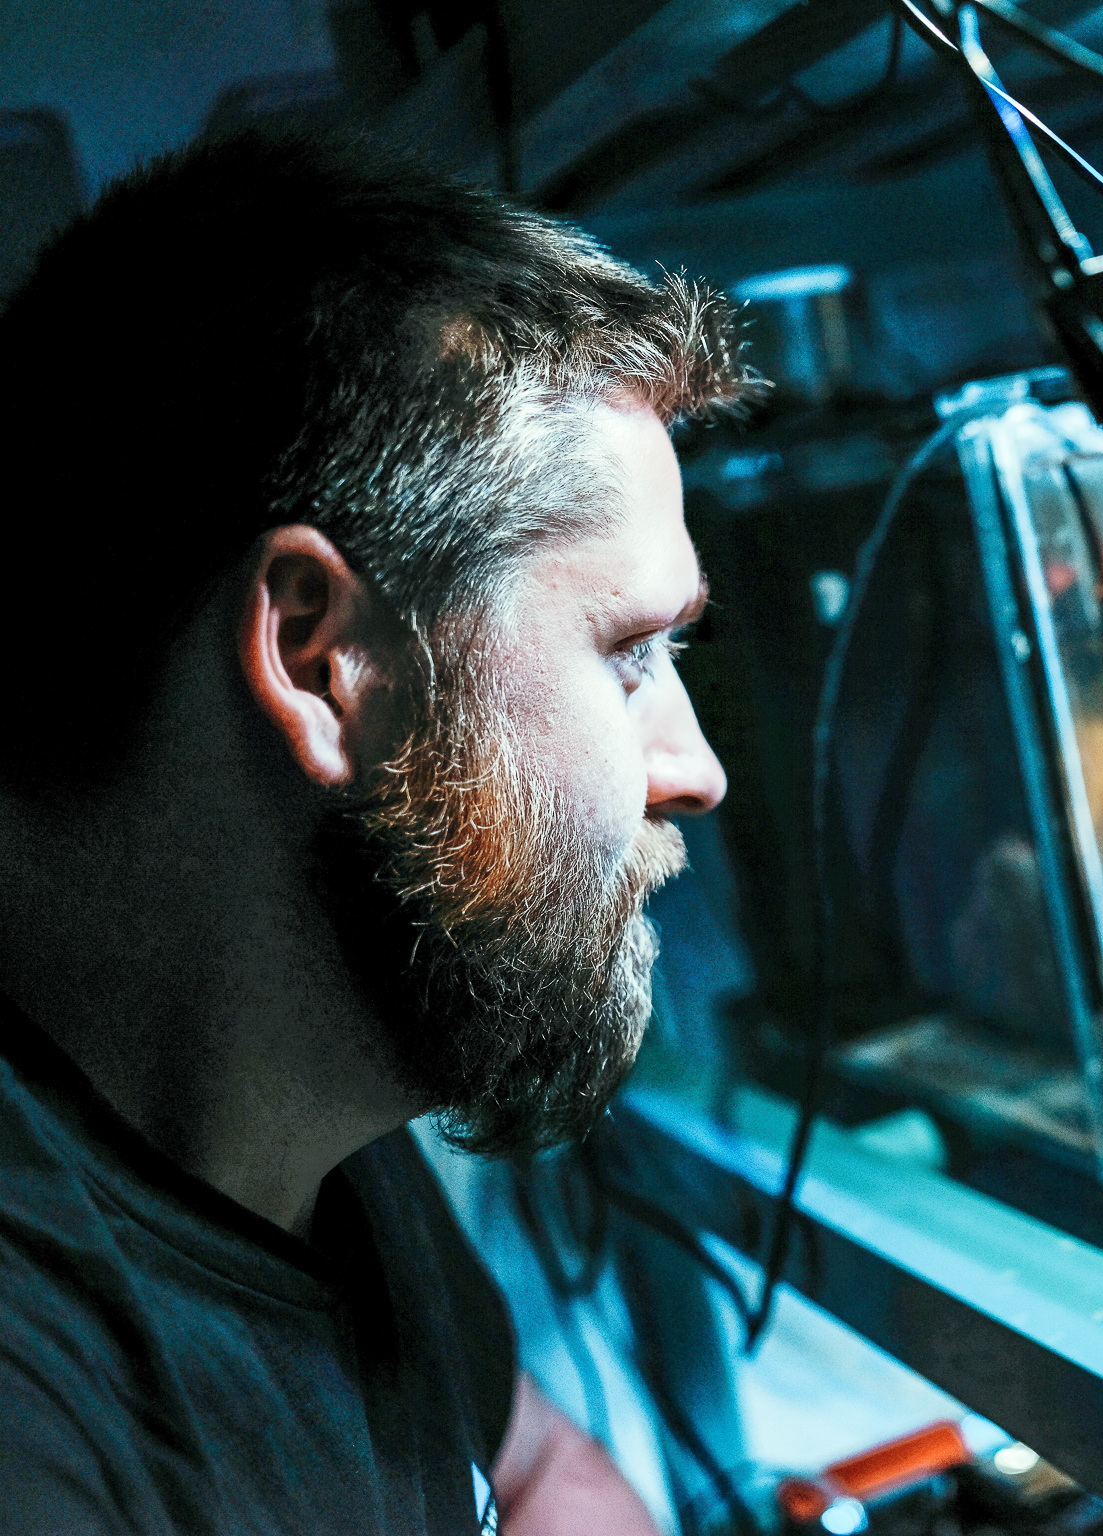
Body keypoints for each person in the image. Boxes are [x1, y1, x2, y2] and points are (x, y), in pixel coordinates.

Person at [0, 130, 751, 1533]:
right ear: (319, 657)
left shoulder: (300, 1129)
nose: (693, 769)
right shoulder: (36, 1429)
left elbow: (529, 1474)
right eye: (632, 653)